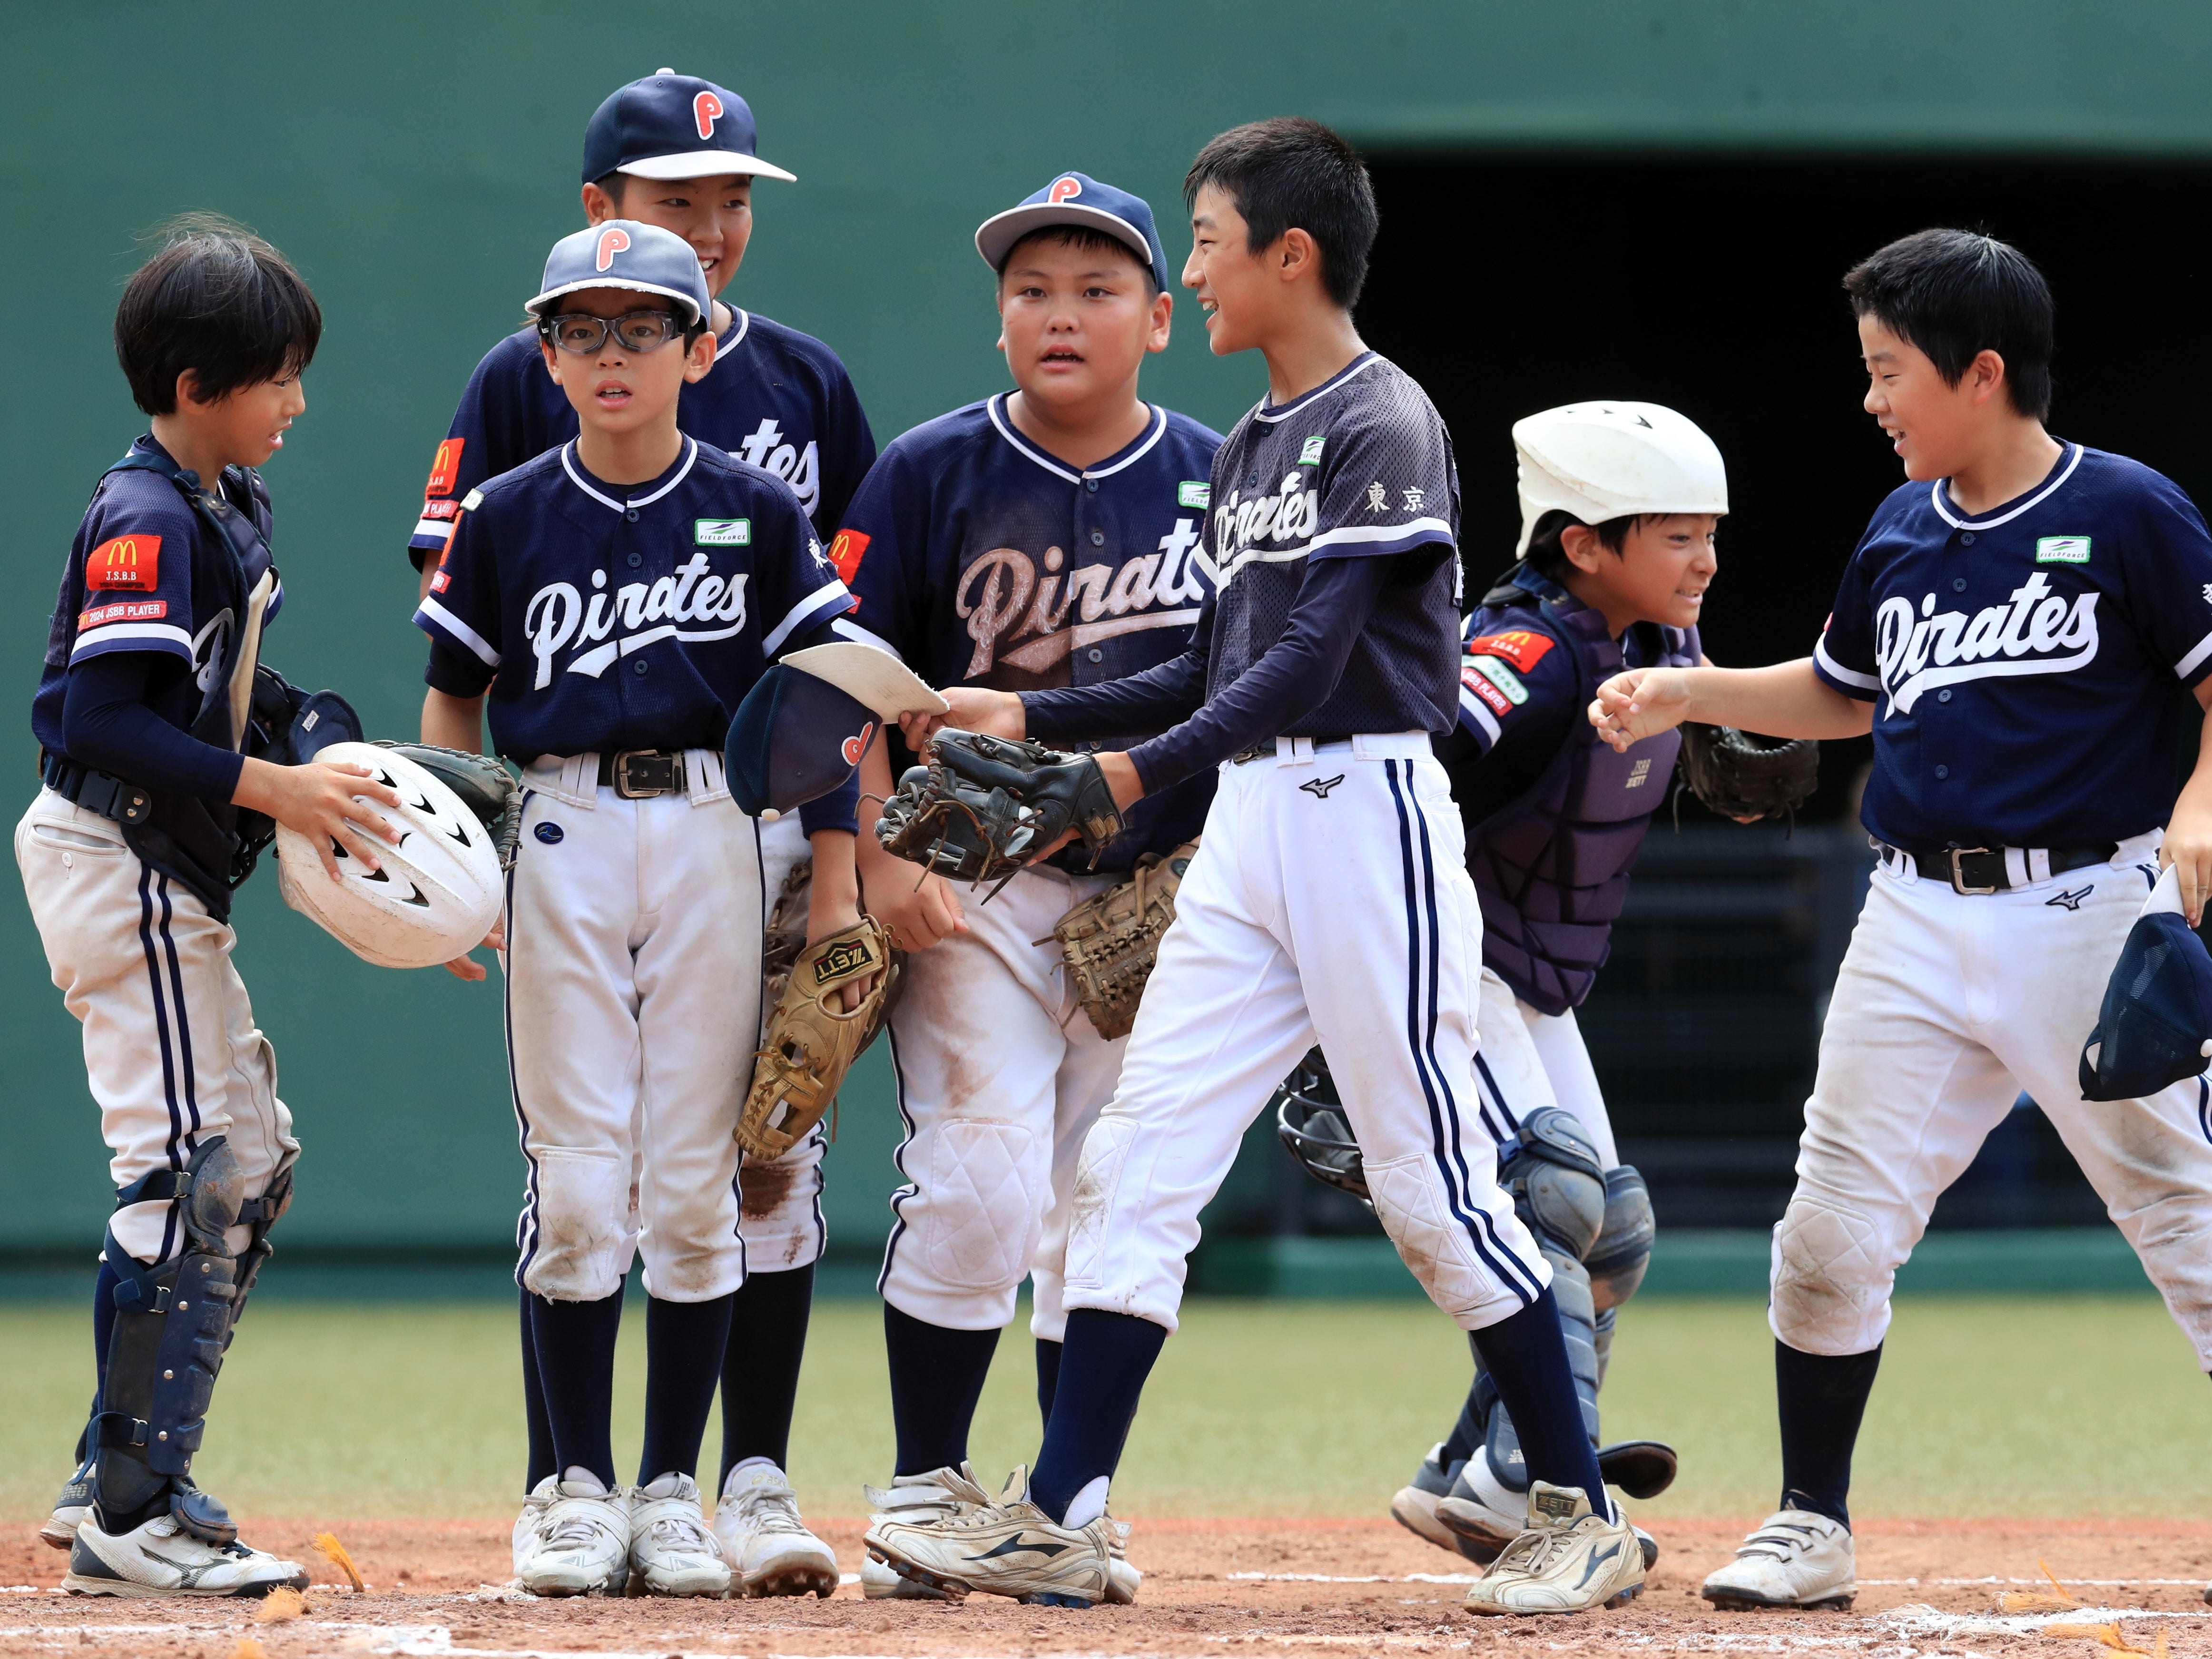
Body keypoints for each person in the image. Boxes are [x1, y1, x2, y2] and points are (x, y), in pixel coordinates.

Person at [866, 117, 1647, 1619]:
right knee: (1134, 1164)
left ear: (1293, 257)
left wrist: (1123, 775)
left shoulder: (1381, 419)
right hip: (1256, 831)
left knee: (1424, 1182)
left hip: (1368, 818)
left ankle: (1580, 1508)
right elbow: (1205, 660)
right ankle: (1064, 1515)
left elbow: (1310, 660)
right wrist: (1023, 707)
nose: (1197, 272)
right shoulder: (1259, 446)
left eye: (1208, 243)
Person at [1589, 228, 2212, 1612]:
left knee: (2189, 1219)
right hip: (1915, 919)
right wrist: (1689, 693)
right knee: (1828, 1231)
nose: (1870, 400)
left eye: (1890, 372)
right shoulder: (1900, 529)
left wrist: (2201, 802)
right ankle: (1812, 1523)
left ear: (1981, 373)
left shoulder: (2128, 513)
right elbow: (1841, 693)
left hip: (2084, 912)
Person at [405, 69, 871, 1581]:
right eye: (583, 333)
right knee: (580, 1175)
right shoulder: (509, 512)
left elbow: (831, 684)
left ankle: (677, 1489)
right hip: (558, 830)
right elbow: (456, 701)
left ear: (693, 344)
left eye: (643, 331)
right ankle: (574, 1491)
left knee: (696, 1175)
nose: (613, 355)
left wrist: (849, 864)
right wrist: (453, 873)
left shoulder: (758, 493)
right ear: (545, 351)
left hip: (725, 830)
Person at [829, 171, 1221, 1602]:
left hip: (1159, 893)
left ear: (1160, 319)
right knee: (985, 1180)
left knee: (1102, 1203)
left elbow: (1262, 687)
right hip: (975, 883)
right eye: (1032, 290)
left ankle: (1068, 1503)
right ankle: (928, 1489)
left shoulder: (1219, 474)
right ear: (999, 318)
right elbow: (839, 689)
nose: (1060, 314)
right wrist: (877, 854)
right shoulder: (928, 470)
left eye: (1096, 288)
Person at [23, 218, 406, 1596]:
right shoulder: (145, 516)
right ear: (196, 383)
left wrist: (327, 750)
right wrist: (274, 788)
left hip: (163, 872)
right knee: (191, 1168)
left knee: (248, 1164)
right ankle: (138, 1513)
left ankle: (112, 1470)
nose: (296, 402)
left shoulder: (223, 504)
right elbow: (95, 717)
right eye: (276, 376)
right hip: (112, 857)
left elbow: (234, 690)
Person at [1384, 402, 1724, 1566]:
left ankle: (1478, 1473)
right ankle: (1545, 1477)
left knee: (1611, 1233)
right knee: (1561, 1207)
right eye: (1677, 537)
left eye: (1711, 535)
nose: (1706, 561)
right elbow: (1407, 778)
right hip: (1457, 963)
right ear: (1584, 543)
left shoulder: (1663, 646)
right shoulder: (1523, 651)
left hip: (1537, 979)